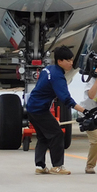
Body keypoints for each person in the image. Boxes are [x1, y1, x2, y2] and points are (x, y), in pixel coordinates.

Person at [26, 45, 87, 174]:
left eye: (71, 60)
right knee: (57, 134)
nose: (71, 63)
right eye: (68, 60)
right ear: (60, 61)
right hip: (40, 110)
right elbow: (65, 98)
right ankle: (57, 166)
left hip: (31, 107)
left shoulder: (47, 69)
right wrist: (83, 110)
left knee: (43, 137)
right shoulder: (57, 76)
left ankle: (40, 166)